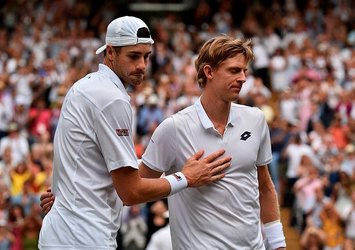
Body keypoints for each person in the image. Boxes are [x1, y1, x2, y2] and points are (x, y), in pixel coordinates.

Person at [41, 35, 286, 249]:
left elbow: (264, 187)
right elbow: (133, 187)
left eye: (245, 71)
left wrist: (277, 243)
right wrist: (70, 194)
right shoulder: (173, 128)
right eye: (234, 71)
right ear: (209, 72)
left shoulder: (255, 119)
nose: (243, 78)